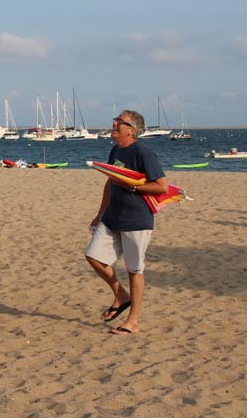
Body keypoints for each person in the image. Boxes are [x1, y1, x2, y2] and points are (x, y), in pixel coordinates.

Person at [85, 110, 168, 335]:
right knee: (93, 256)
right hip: (113, 217)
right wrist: (100, 213)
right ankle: (121, 295)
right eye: (115, 120)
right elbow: (110, 183)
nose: (114, 123)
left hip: (136, 220)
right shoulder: (115, 150)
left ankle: (133, 321)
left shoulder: (143, 152)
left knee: (134, 270)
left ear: (131, 129)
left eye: (119, 121)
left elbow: (162, 186)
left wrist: (133, 187)